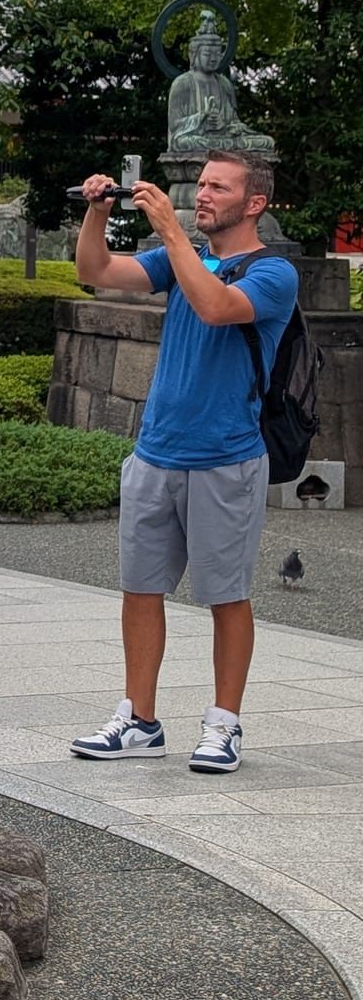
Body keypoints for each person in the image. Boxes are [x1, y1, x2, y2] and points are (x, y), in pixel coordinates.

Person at [69, 150, 297, 775]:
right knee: (140, 589)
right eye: (200, 185)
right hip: (154, 452)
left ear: (255, 203)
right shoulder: (181, 257)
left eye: (217, 187)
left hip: (226, 457)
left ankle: (224, 725)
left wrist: (170, 231)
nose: (202, 195)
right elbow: (97, 271)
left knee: (226, 595)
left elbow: (217, 307)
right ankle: (139, 720)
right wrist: (98, 214)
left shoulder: (275, 273)